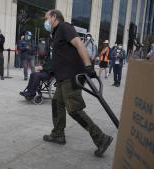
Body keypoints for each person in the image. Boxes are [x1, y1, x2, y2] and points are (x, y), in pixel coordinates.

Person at [42, 9, 113, 157]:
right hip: (62, 78)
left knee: (74, 109)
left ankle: (101, 138)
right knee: (56, 103)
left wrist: (88, 66)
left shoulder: (65, 27)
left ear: (54, 17)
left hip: (72, 77)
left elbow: (80, 45)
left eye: (47, 17)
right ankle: (58, 134)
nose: (45, 20)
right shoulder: (55, 33)